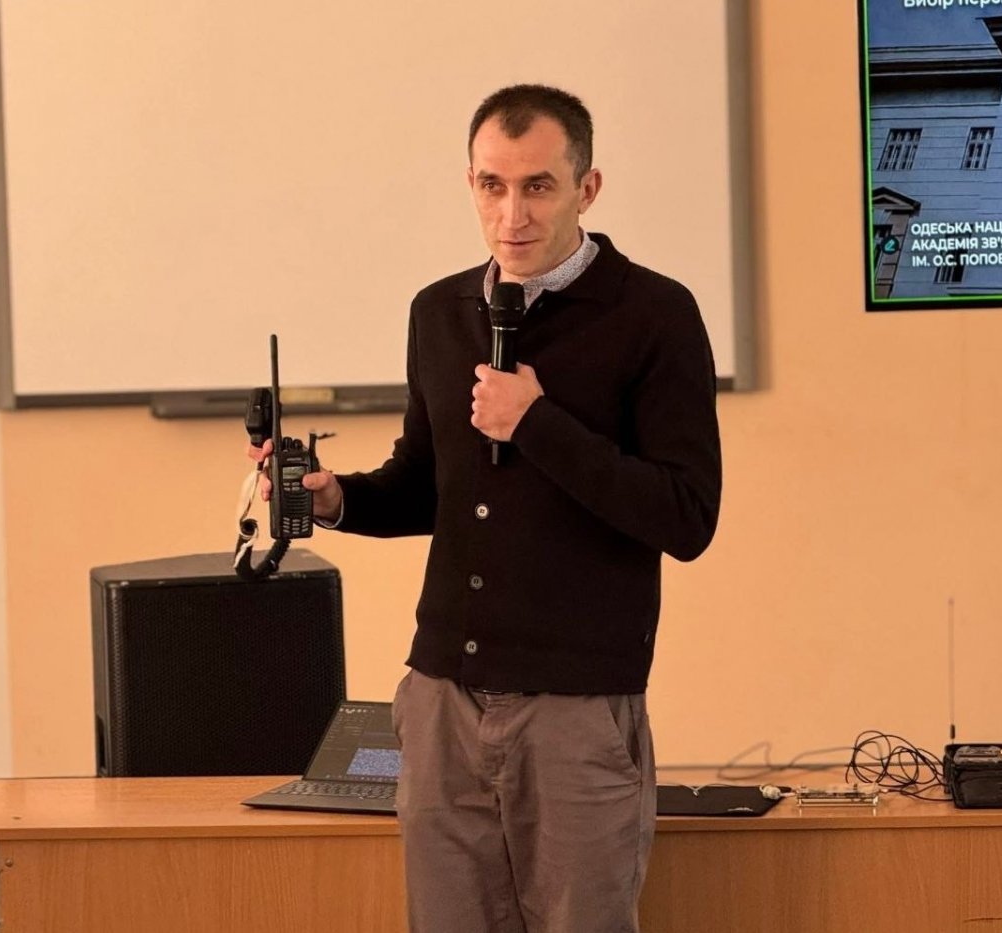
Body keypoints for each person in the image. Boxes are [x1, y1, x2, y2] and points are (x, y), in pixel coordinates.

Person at [249, 83, 721, 933]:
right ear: (469, 182)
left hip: (577, 703)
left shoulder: (654, 313)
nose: (512, 214)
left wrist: (536, 422)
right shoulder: (440, 311)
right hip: (442, 698)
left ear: (587, 188)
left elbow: (686, 516)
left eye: (538, 186)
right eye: (492, 185)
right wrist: (338, 497)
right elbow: (428, 482)